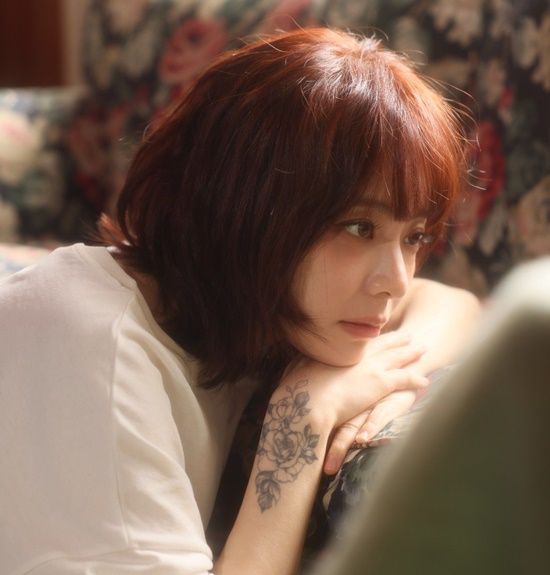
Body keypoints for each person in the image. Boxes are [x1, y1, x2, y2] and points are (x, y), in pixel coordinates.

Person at [0, 28, 479, 575]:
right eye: (358, 227)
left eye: (415, 236)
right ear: (243, 207)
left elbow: (454, 305)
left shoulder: (235, 306)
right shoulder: (94, 351)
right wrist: (301, 419)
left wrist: (381, 371)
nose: (395, 282)